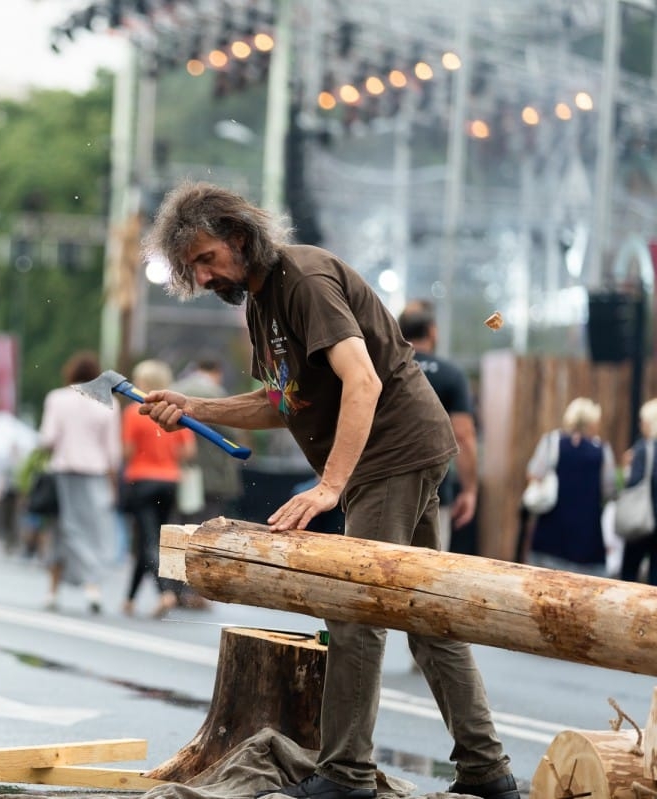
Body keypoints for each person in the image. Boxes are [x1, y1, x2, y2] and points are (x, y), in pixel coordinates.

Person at [139, 182, 518, 799]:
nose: (203, 276)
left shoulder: (304, 281)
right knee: (427, 615)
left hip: (390, 456)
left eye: (207, 259)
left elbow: (362, 381)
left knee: (354, 611)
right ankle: (487, 769)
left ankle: (346, 775)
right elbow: (282, 402)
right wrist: (195, 406)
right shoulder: (262, 302)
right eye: (192, 268)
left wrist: (330, 486)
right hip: (399, 454)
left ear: (239, 237)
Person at [38, 350, 121, 615]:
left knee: (62, 532)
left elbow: (47, 439)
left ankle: (52, 591)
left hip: (64, 471)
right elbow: (113, 452)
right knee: (93, 533)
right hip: (95, 473)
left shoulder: (57, 399)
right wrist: (113, 483)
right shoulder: (108, 403)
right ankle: (92, 588)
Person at [397, 302, 478, 551]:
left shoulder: (385, 368)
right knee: (430, 571)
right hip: (435, 491)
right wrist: (469, 489)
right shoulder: (451, 375)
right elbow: (463, 435)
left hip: (384, 485)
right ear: (433, 332)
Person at [120, 358, 196, 618]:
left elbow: (127, 451)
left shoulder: (134, 412)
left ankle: (165, 593)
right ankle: (129, 599)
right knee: (152, 540)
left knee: (148, 540)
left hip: (141, 480)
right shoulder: (175, 412)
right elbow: (188, 451)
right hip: (170, 481)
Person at [523, 397, 616, 576]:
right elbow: (609, 489)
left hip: (550, 534)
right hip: (587, 537)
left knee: (544, 585)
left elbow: (533, 473)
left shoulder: (552, 442)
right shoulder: (602, 451)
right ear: (592, 422)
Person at [169, 355, 245, 521]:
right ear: (218, 372)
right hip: (213, 471)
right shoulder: (216, 393)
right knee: (208, 522)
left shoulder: (175, 389)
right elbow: (233, 431)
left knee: (179, 521)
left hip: (179, 469)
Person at [619, 398, 657, 584]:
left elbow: (632, 482)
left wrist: (627, 467)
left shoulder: (643, 449)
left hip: (642, 520)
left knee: (629, 574)